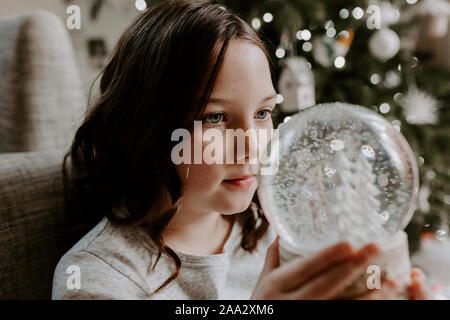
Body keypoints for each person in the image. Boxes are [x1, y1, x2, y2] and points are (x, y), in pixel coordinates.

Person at [52, 0, 429, 300]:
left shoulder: (275, 226)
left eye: (263, 112)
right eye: (215, 118)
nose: (252, 146)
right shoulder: (97, 280)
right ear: (133, 130)